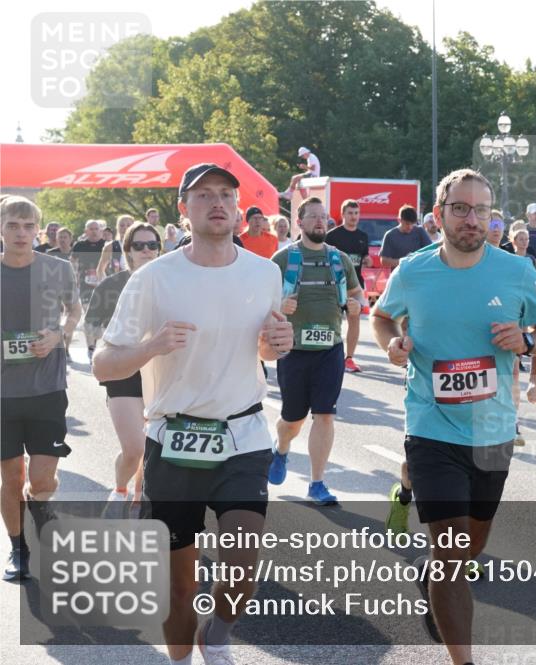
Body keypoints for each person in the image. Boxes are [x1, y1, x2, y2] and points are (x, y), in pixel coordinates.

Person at [93, 163, 293, 665]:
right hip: (174, 439)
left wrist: (279, 345)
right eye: (203, 195)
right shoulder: (153, 279)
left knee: (242, 567)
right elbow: (102, 364)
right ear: (184, 209)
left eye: (226, 193)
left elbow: (265, 351)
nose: (217, 203)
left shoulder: (264, 272)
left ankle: (219, 635)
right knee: (178, 587)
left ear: (238, 208)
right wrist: (151, 346)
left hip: (243, 434)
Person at [371, 168, 536, 665]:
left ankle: (433, 573)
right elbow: (380, 314)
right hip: (431, 428)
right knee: (453, 555)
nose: (472, 218)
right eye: (461, 208)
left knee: (468, 550)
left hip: (492, 430)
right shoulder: (412, 270)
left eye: (481, 210)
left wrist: (525, 342)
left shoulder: (516, 271)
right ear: (439, 215)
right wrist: (392, 342)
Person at [1, 196, 82, 581]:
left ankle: (42, 505)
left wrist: (58, 337)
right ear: (1, 227)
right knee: (12, 478)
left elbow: (74, 312)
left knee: (42, 479)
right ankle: (18, 548)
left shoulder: (58, 268)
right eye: (13, 225)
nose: (21, 233)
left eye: (28, 225)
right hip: (2, 394)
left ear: (38, 228)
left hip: (47, 388)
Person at [267, 197, 364, 504]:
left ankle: (317, 483)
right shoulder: (283, 260)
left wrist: (357, 305)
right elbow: (257, 304)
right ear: (300, 222)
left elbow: (357, 293)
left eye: (324, 217)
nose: (321, 221)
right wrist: (279, 306)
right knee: (292, 419)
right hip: (293, 350)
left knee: (324, 415)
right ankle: (281, 449)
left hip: (330, 349)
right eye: (314, 217)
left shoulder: (339, 259)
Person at [86, 223, 161, 512]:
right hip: (123, 372)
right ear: (127, 250)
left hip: (160, 372)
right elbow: (91, 325)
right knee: (135, 448)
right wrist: (110, 346)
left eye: (152, 245)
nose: (146, 250)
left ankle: (139, 499)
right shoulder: (113, 285)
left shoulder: (170, 282)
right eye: (138, 245)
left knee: (153, 450)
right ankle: (119, 490)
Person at [325, 199, 371, 374]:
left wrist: (367, 259)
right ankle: (329, 355)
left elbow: (363, 258)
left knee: (354, 318)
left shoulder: (362, 236)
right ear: (343, 214)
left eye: (356, 213)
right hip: (333, 286)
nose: (354, 217)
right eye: (350, 213)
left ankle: (349, 358)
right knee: (332, 322)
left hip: (354, 286)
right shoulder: (333, 236)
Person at [71, 219, 107, 361]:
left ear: (101, 231)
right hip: (85, 285)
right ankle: (91, 348)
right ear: (86, 231)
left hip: (104, 285)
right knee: (89, 315)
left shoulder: (107, 245)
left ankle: (95, 344)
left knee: (99, 319)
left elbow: (116, 263)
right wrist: (74, 277)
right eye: (90, 229)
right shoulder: (80, 245)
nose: (93, 231)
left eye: (96, 228)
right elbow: (72, 262)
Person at [379, 204, 432, 269]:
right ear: (399, 220)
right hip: (399, 276)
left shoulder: (420, 231)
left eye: (412, 223)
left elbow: (430, 251)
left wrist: (416, 257)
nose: (410, 227)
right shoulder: (390, 235)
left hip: (418, 275)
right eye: (407, 223)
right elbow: (384, 261)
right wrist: (404, 261)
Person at [97, 214, 134, 278]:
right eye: (122, 225)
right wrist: (106, 284)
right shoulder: (110, 246)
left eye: (128, 225)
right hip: (118, 284)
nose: (125, 228)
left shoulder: (141, 245)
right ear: (117, 227)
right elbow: (100, 270)